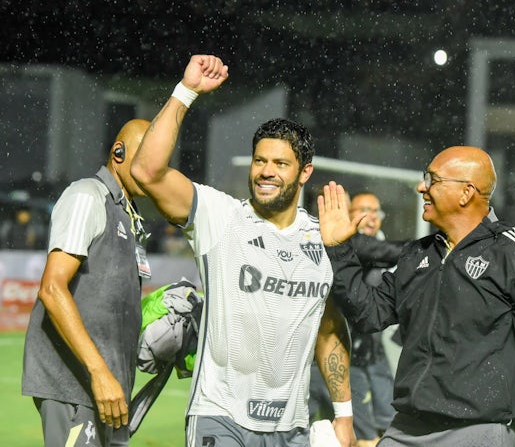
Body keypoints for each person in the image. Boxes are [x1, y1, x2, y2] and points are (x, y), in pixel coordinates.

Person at [130, 54, 357, 447]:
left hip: (292, 428)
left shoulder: (321, 238)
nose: (266, 171)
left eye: (280, 163)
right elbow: (146, 171)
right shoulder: (221, 218)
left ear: (304, 172)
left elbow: (329, 330)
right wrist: (186, 92)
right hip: (221, 418)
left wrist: (345, 416)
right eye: (260, 161)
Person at [317, 146, 515, 447]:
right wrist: (339, 249)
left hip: (479, 431)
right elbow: (368, 313)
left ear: (466, 192)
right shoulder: (416, 255)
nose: (420, 187)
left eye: (433, 179)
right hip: (405, 429)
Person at [22, 118, 152, 446]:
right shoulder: (86, 195)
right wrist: (99, 373)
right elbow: (52, 289)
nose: (154, 169)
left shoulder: (128, 213)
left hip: (109, 390)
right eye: (146, 158)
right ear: (118, 153)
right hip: (76, 386)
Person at [309, 191, 403, 447]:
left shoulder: (375, 248)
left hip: (369, 355)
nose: (371, 217)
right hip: (337, 357)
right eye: (363, 210)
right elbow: (389, 250)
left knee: (382, 428)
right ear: (347, 214)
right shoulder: (352, 244)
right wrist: (434, 248)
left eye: (376, 212)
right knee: (359, 436)